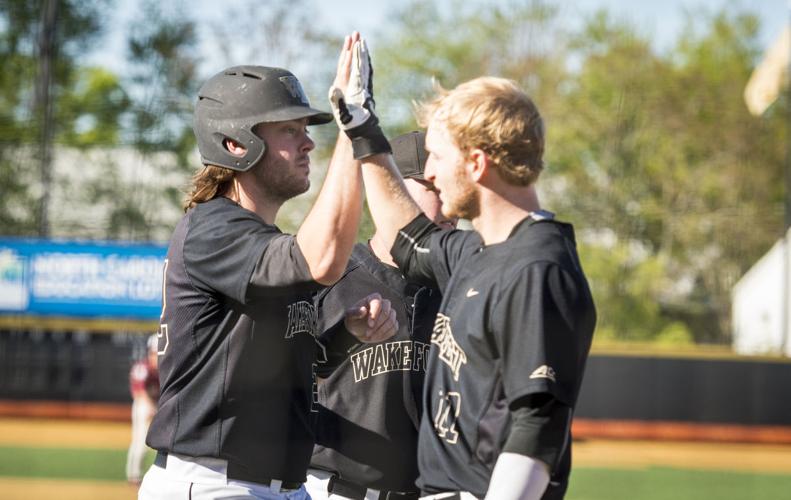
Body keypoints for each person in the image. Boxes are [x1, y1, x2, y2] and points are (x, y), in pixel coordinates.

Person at [330, 41, 597, 499]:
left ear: (476, 162)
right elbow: (408, 237)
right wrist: (362, 128)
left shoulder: (537, 267)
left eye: (437, 155)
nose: (429, 172)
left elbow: (538, 422)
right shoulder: (479, 253)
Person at [139, 33, 398, 500]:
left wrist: (348, 332)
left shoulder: (260, 243)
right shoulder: (211, 227)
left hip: (279, 486)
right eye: (289, 131)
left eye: (306, 130)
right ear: (235, 143)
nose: (308, 144)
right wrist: (352, 128)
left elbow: (300, 363)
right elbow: (319, 257)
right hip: (215, 483)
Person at [305, 131, 457, 500]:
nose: (449, 206)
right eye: (431, 188)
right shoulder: (329, 275)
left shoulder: (464, 287)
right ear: (389, 192)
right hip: (336, 491)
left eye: (452, 189)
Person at [126, 333, 160, 485]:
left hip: (155, 405)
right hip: (143, 406)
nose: (157, 356)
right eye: (154, 353)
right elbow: (139, 393)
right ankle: (134, 475)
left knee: (155, 445)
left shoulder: (162, 369)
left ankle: (144, 475)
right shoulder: (142, 367)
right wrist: (152, 408)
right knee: (140, 443)